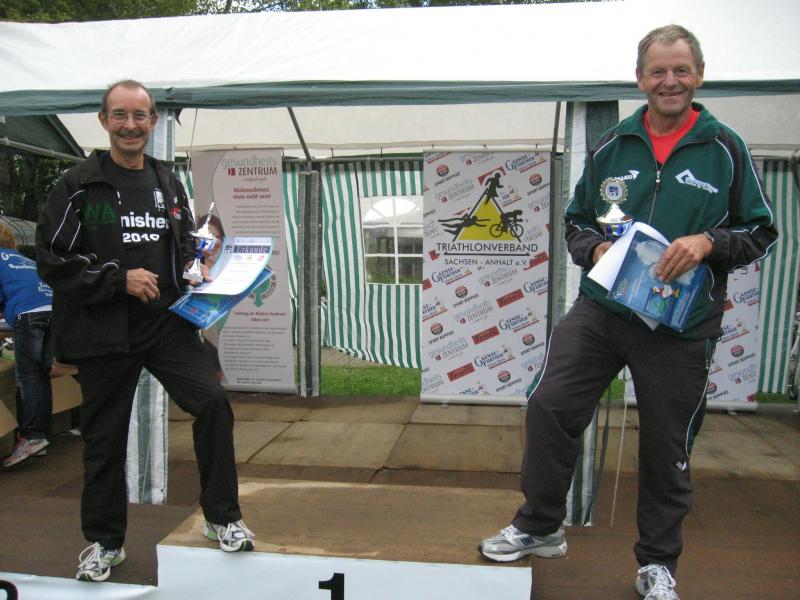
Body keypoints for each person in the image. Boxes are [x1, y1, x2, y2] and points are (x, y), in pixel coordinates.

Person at [478, 25, 777, 600]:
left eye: (681, 70)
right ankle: (541, 526)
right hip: (604, 311)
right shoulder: (612, 145)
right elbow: (576, 221)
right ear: (640, 79)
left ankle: (658, 564)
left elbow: (760, 231)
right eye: (658, 71)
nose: (670, 81)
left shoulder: (725, 148)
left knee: (666, 446)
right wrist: (596, 250)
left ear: (699, 75)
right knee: (549, 405)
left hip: (681, 327)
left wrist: (709, 243)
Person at [36, 80, 254, 583]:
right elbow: (52, 259)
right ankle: (105, 542)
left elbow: (182, 246)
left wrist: (199, 263)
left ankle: (222, 517)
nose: (130, 125)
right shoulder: (78, 185)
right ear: (104, 120)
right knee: (104, 440)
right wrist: (118, 279)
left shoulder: (166, 182)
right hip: (103, 333)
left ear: (153, 122)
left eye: (140, 116)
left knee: (212, 404)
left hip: (165, 326)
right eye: (120, 115)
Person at [0, 224, 54, 468]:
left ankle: (31, 436)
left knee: (28, 375)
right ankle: (40, 435)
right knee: (41, 373)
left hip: (28, 315)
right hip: (51, 312)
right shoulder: (25, 261)